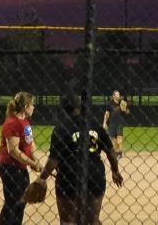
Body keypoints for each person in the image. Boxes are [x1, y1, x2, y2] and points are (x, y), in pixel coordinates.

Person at [35, 96, 125, 225]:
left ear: (64, 109)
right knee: (92, 220)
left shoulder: (61, 129)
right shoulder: (95, 125)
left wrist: (42, 178)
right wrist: (115, 170)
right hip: (94, 174)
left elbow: (53, 160)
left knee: (67, 220)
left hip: (68, 175)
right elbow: (111, 151)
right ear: (80, 107)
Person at [0, 92, 42, 225]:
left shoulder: (25, 122)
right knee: (12, 202)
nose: (34, 107)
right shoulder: (12, 123)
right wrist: (31, 162)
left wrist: (36, 161)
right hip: (10, 167)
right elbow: (13, 151)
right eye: (32, 104)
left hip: (20, 167)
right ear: (25, 106)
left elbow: (30, 143)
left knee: (21, 201)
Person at [103, 91, 130, 159]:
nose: (119, 96)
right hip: (112, 123)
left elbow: (128, 112)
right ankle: (118, 151)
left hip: (119, 123)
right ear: (113, 96)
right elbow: (107, 114)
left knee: (119, 137)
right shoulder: (110, 104)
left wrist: (125, 109)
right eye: (117, 95)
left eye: (119, 94)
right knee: (113, 138)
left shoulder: (122, 102)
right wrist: (104, 122)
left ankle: (120, 153)